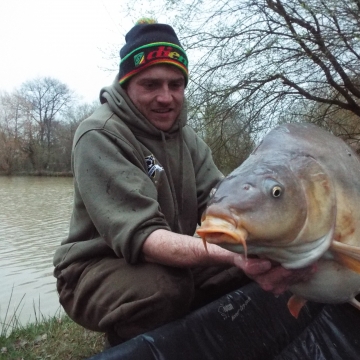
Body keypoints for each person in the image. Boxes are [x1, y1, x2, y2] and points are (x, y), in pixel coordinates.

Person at [53, 19, 315, 347]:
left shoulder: (186, 138)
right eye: (151, 85)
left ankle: (197, 336)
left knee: (252, 262)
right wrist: (234, 254)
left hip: (164, 263)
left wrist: (280, 244)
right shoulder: (100, 134)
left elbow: (224, 204)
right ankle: (127, 345)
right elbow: (145, 238)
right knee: (168, 287)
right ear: (126, 83)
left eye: (176, 84)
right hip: (91, 271)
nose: (167, 97)